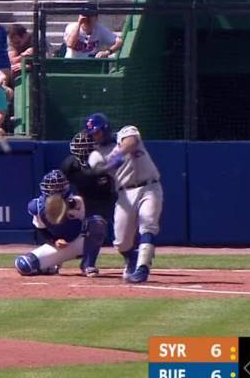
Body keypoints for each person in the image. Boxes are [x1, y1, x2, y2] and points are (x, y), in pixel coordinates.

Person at [87, 114, 163, 283]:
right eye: (92, 134)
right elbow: (98, 168)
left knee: (148, 224)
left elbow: (132, 142)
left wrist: (116, 157)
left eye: (97, 132)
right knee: (121, 242)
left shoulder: (125, 132)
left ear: (106, 129)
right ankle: (132, 258)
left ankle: (143, 269)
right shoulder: (96, 155)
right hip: (125, 193)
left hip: (149, 186)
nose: (95, 136)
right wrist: (104, 167)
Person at [14, 170, 106, 277]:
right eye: (52, 188)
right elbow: (41, 229)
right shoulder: (37, 206)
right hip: (59, 246)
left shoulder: (76, 203)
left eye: (58, 188)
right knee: (24, 265)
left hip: (81, 242)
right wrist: (55, 240)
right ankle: (50, 267)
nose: (54, 191)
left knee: (97, 222)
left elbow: (87, 221)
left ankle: (88, 265)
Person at [59, 128, 117, 276]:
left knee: (98, 225)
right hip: (78, 199)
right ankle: (55, 258)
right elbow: (58, 185)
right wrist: (65, 202)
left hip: (101, 200)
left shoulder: (103, 161)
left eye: (87, 147)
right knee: (59, 213)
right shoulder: (70, 164)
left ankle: (88, 263)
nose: (84, 151)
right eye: (80, 147)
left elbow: (112, 187)